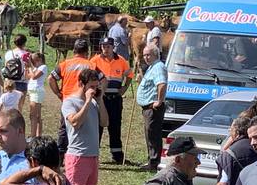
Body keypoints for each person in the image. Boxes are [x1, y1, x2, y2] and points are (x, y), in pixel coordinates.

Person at [62, 68, 103, 185]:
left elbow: (106, 122)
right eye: (92, 86)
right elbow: (75, 122)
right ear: (81, 84)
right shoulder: (70, 102)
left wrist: (99, 100)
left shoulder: (94, 102)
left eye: (97, 86)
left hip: (92, 156)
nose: (94, 90)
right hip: (77, 156)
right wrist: (87, 100)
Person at [48, 38, 94, 154]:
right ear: (86, 52)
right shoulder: (91, 65)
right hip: (84, 99)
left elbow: (51, 78)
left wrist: (59, 93)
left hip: (68, 99)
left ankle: (61, 153)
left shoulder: (65, 64)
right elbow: (102, 79)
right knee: (84, 126)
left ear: (74, 51)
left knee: (64, 127)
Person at [92, 36, 132, 164]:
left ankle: (117, 156)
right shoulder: (94, 60)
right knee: (97, 127)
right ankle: (93, 154)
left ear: (113, 47)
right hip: (100, 99)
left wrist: (124, 87)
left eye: (108, 46)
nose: (106, 49)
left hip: (115, 99)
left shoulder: (121, 60)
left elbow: (130, 75)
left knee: (115, 126)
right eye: (103, 46)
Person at [136, 44, 168, 172]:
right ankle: (151, 159)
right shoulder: (152, 67)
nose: (146, 57)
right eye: (144, 55)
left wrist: (159, 101)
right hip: (147, 108)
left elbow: (161, 84)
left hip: (153, 108)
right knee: (149, 134)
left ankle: (154, 162)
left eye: (148, 54)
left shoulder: (158, 67)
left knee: (152, 134)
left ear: (156, 54)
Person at [25, 51, 47, 138]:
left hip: (37, 91)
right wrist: (27, 68)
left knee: (34, 115)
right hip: (32, 92)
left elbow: (34, 77)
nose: (34, 63)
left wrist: (30, 67)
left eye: (34, 61)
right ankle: (37, 135)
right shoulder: (35, 68)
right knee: (35, 115)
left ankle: (33, 135)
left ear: (40, 60)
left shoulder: (43, 67)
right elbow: (27, 76)